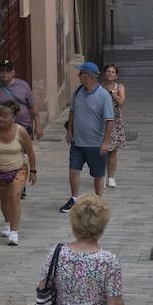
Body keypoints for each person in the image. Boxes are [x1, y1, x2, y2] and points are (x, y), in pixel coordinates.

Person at [0, 101, 37, 246]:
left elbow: (30, 152)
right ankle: (7, 222)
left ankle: (14, 232)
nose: (1, 119)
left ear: (13, 118)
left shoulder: (21, 132)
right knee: (4, 200)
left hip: (18, 169)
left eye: (5, 117)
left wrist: (33, 171)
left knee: (14, 197)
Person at [61, 62, 114, 214]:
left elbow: (109, 120)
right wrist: (70, 130)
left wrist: (106, 142)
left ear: (89, 76)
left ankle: (98, 201)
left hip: (96, 144)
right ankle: (74, 198)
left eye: (81, 73)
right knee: (73, 170)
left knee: (98, 174)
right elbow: (72, 112)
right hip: (77, 142)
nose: (78, 76)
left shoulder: (103, 96)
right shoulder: (78, 92)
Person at [0, 59, 42, 138]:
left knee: (24, 149)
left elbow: (33, 107)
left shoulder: (23, 86)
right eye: (2, 70)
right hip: (1, 130)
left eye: (8, 70)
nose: (5, 73)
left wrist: (38, 125)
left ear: (13, 72)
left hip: (23, 129)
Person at [101, 62, 127, 188]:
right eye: (108, 71)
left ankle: (111, 177)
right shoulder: (99, 87)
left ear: (116, 75)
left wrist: (112, 93)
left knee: (113, 151)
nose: (110, 74)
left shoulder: (119, 87)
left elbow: (121, 102)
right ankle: (100, 175)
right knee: (101, 150)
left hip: (115, 121)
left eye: (113, 72)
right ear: (104, 73)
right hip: (100, 122)